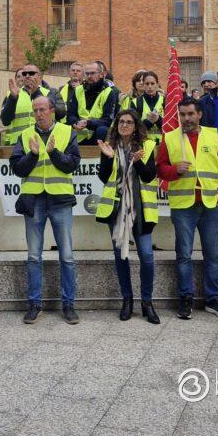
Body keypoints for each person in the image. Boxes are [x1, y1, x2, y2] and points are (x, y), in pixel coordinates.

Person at [156, 97, 218, 321]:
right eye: (182, 115)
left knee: (213, 254)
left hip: (211, 204)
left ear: (199, 114)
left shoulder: (214, 136)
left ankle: (213, 299)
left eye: (190, 114)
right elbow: (160, 169)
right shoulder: (169, 138)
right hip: (183, 206)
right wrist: (174, 170)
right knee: (183, 254)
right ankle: (186, 298)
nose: (186, 119)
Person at [11, 95, 80, 325]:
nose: (38, 114)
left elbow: (72, 164)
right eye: (35, 110)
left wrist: (53, 153)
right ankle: (34, 304)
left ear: (52, 110)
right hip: (34, 201)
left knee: (67, 256)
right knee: (33, 256)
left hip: (60, 200)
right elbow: (18, 169)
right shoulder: (24, 134)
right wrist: (32, 155)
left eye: (42, 109)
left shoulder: (66, 132)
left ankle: (69, 305)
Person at [95, 109, 160, 324]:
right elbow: (105, 178)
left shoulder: (147, 146)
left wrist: (138, 160)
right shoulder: (109, 147)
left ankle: (147, 302)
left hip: (141, 208)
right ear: (116, 126)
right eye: (121, 122)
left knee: (147, 257)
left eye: (129, 122)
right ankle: (127, 300)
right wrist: (107, 159)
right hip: (116, 208)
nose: (124, 125)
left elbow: (150, 176)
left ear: (136, 126)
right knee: (120, 256)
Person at [0, 64, 61, 145]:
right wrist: (13, 98)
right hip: (19, 143)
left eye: (31, 73)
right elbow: (5, 121)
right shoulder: (12, 94)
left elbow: (58, 115)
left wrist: (35, 90)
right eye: (24, 74)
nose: (27, 76)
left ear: (39, 76)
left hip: (43, 141)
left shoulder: (48, 93)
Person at [73, 61, 118, 144]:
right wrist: (76, 123)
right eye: (87, 74)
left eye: (93, 73)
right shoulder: (78, 90)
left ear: (101, 74)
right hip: (79, 133)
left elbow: (108, 120)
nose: (89, 76)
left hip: (97, 134)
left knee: (102, 129)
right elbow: (71, 115)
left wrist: (88, 123)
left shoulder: (109, 92)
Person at [134, 70, 165, 140]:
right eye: (147, 84)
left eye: (152, 83)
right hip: (144, 147)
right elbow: (134, 128)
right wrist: (148, 121)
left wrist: (158, 120)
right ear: (143, 85)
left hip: (163, 146)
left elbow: (171, 127)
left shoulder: (165, 101)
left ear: (157, 84)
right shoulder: (135, 102)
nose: (150, 86)